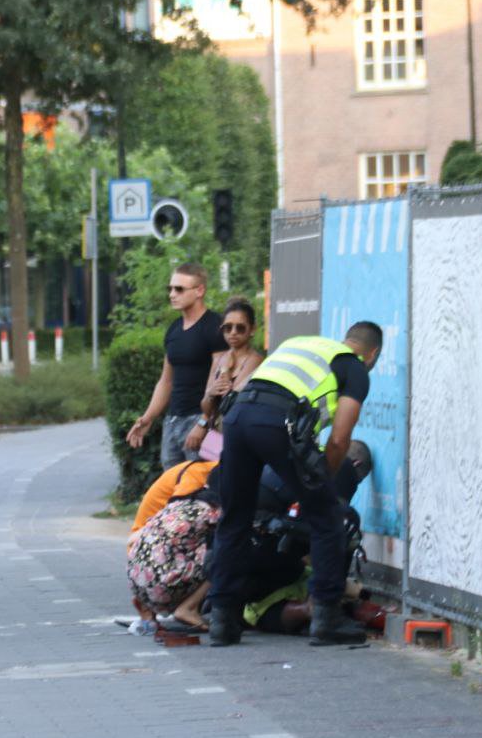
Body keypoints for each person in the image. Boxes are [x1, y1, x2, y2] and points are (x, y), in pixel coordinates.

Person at [206, 322, 384, 647]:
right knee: (328, 516)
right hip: (277, 422)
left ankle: (222, 620)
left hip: (238, 417)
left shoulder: (300, 343)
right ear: (372, 354)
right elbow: (340, 438)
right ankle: (326, 618)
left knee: (235, 518)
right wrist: (324, 484)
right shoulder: (355, 368)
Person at [125, 263, 228, 469]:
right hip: (172, 421)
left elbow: (220, 383)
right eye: (170, 288)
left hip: (201, 422)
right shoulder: (174, 329)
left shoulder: (215, 327)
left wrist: (204, 422)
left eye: (179, 289)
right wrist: (147, 418)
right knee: (172, 485)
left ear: (199, 290)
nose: (172, 294)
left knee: (201, 484)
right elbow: (166, 381)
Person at [127, 463, 222, 631]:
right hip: (164, 582)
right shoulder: (212, 511)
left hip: (136, 577)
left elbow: (134, 538)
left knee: (177, 545)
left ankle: (147, 604)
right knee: (227, 551)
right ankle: (188, 608)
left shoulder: (178, 503)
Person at [184, 297, 263, 459]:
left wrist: (225, 370)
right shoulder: (220, 358)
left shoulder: (255, 360)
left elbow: (231, 404)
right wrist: (211, 393)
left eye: (240, 328)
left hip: (240, 437)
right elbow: (206, 406)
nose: (233, 332)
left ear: (252, 329)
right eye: (227, 328)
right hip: (218, 434)